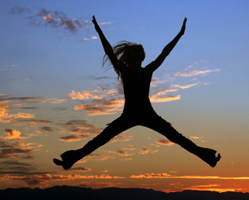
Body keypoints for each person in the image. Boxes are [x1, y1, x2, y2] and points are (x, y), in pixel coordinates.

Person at [53, 16, 221, 170]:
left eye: (138, 56)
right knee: (100, 140)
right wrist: (98, 30)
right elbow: (109, 52)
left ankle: (208, 158)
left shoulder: (147, 72)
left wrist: (180, 34)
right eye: (132, 56)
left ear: (142, 57)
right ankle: (70, 160)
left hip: (148, 114)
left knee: (176, 137)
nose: (134, 59)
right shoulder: (124, 71)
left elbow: (165, 52)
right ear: (128, 58)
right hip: (128, 115)